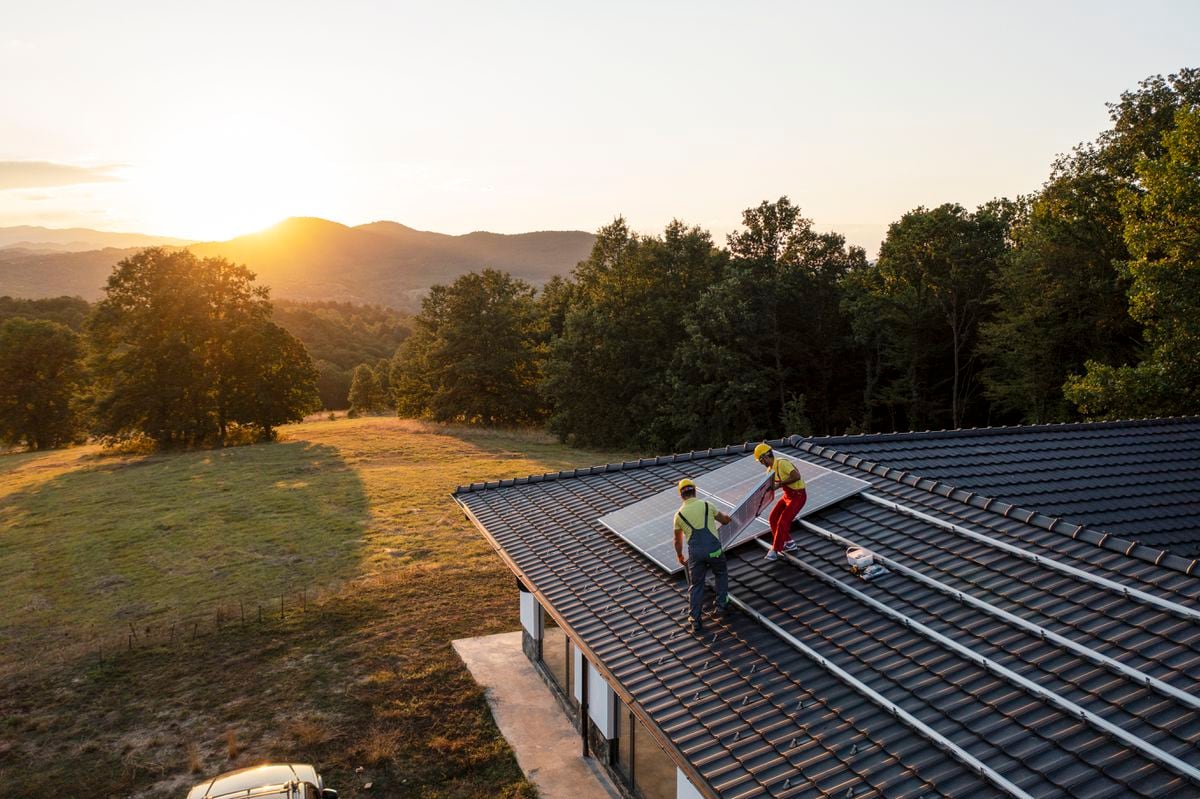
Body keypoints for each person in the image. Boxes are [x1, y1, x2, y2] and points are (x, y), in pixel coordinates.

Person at [673, 478, 732, 633]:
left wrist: (679, 556)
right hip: (714, 550)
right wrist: (728, 518)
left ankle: (696, 620)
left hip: (696, 555)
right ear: (695, 491)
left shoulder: (679, 515)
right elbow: (724, 520)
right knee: (720, 572)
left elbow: (677, 541)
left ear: (681, 495)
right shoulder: (707, 505)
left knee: (697, 585)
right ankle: (721, 604)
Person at [754, 443, 807, 561]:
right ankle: (789, 542)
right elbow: (770, 489)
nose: (761, 463)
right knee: (773, 518)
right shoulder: (769, 471)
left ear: (765, 457)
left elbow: (796, 476)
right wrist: (758, 508)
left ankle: (775, 550)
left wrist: (779, 484)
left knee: (783, 521)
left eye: (761, 460)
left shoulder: (782, 463)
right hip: (787, 496)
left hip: (798, 495)